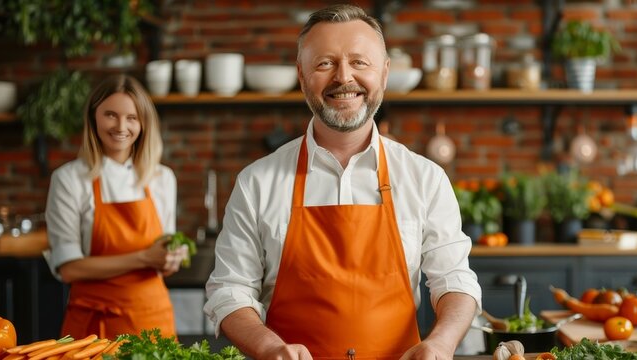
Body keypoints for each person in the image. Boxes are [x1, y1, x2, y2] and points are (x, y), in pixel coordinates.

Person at [205, 4, 481, 360]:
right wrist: (268, 347)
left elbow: (455, 280)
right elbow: (230, 291)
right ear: (302, 76)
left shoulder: (425, 179)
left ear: (383, 74)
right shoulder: (256, 183)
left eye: (359, 62)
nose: (343, 78)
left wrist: (440, 344)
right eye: (325, 64)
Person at [44, 74, 188, 340]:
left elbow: (163, 262)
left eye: (132, 118)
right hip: (93, 328)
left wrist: (170, 259)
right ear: (93, 117)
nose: (121, 126)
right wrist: (144, 258)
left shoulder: (162, 179)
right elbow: (69, 268)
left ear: (143, 123)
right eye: (110, 115)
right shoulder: (68, 180)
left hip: (152, 321)